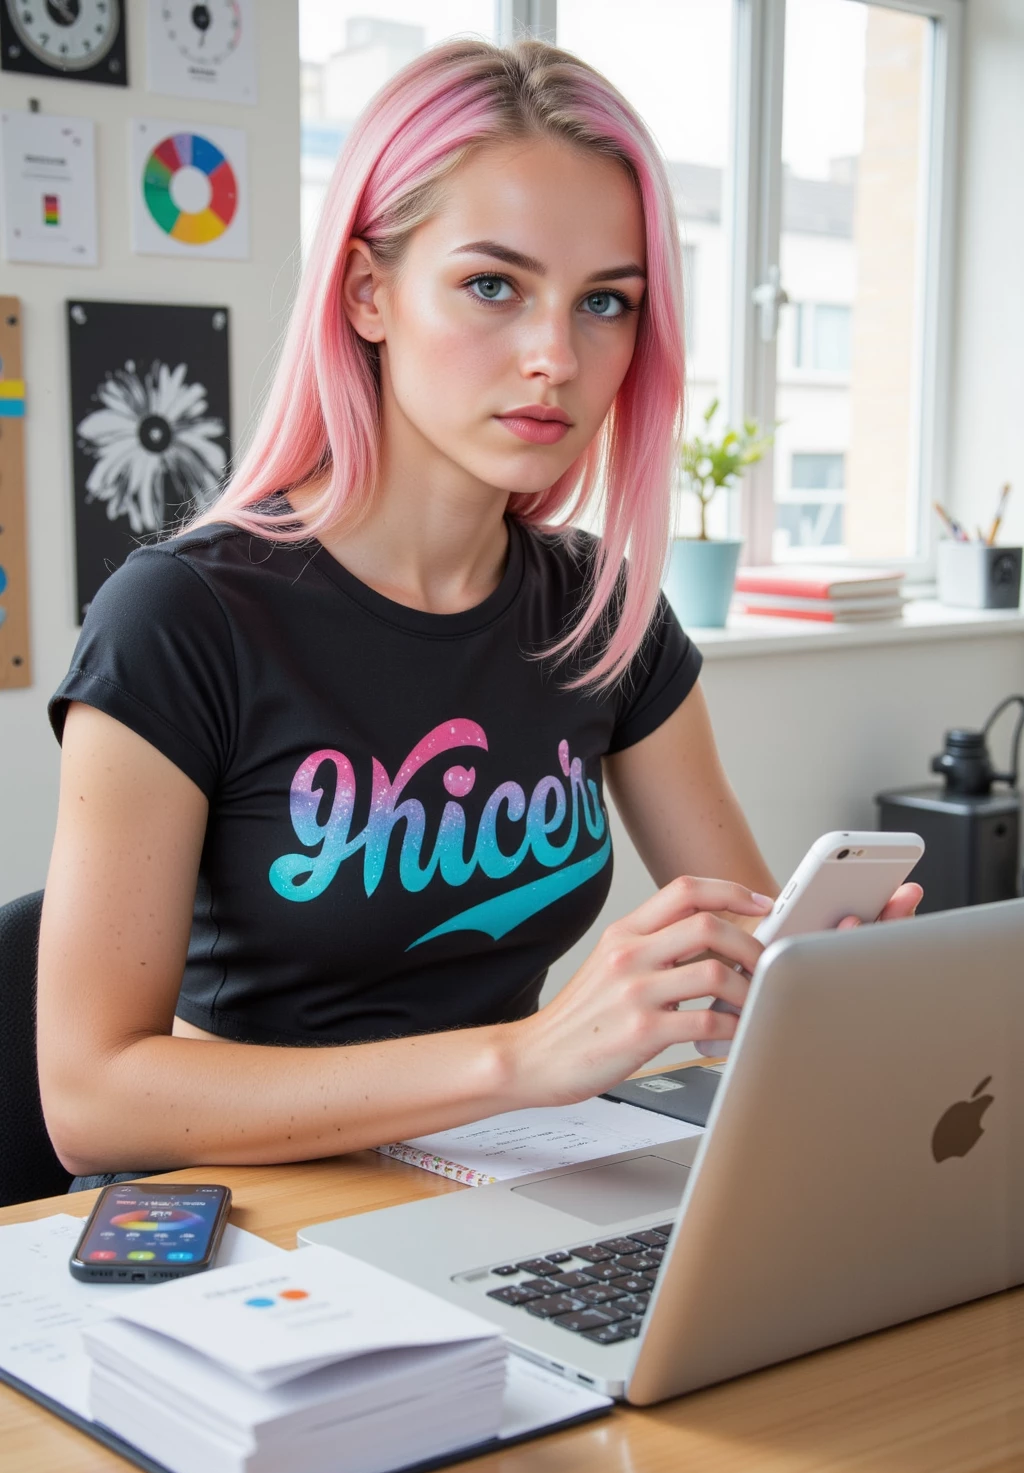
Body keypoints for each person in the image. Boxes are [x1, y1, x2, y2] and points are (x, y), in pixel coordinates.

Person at [37, 38, 921, 1186]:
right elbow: (92, 1098)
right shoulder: (179, 617)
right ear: (368, 292)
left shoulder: (598, 610)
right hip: (249, 1224)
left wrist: (821, 978)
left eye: (604, 302)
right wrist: (526, 1057)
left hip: (505, 1187)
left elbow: (751, 961)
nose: (555, 356)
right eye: (492, 285)